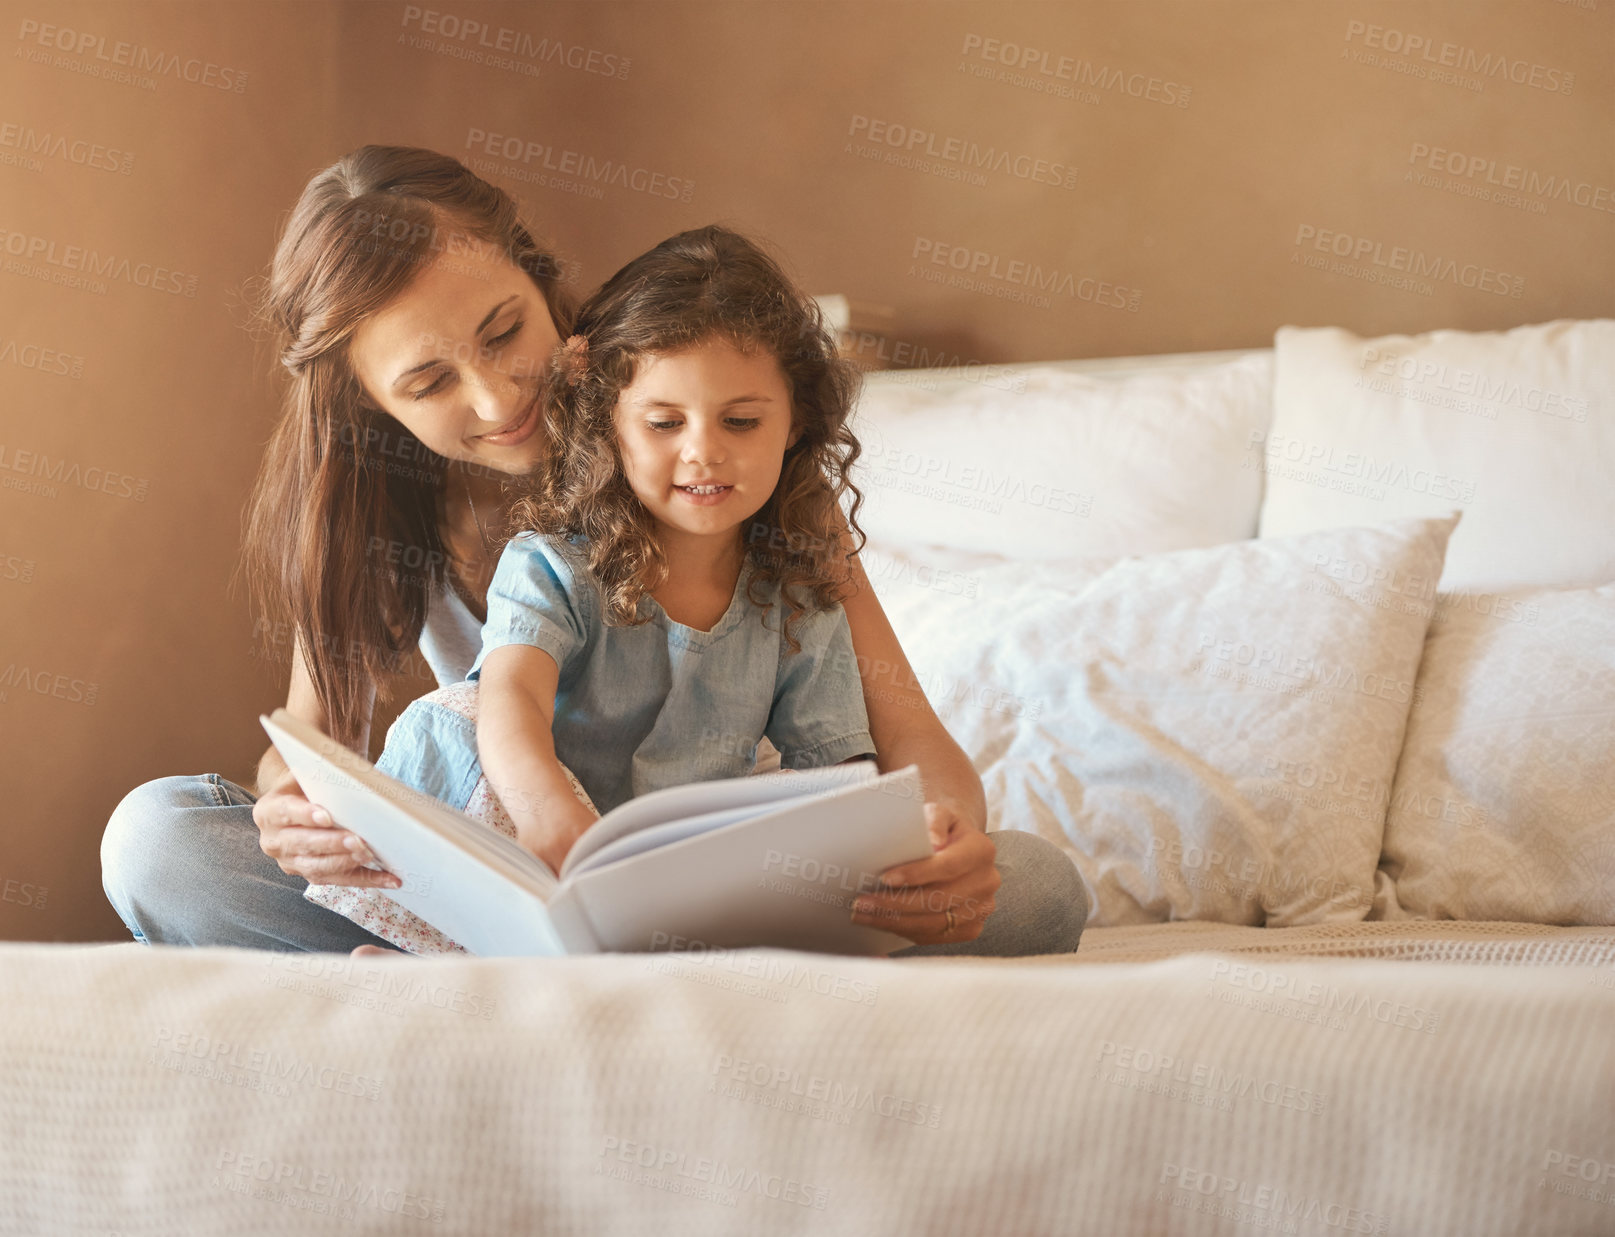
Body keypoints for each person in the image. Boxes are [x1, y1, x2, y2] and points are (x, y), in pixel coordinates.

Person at [99, 144, 1089, 956]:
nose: (496, 398)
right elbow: (305, 755)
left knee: (1038, 890)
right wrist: (290, 813)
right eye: (429, 381)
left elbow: (903, 725)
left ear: (539, 276)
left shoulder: (722, 470)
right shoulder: (376, 518)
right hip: (501, 880)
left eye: (503, 330)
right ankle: (493, 961)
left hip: (701, 868)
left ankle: (517, 974)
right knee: (160, 843)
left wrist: (947, 839)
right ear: (367, 397)